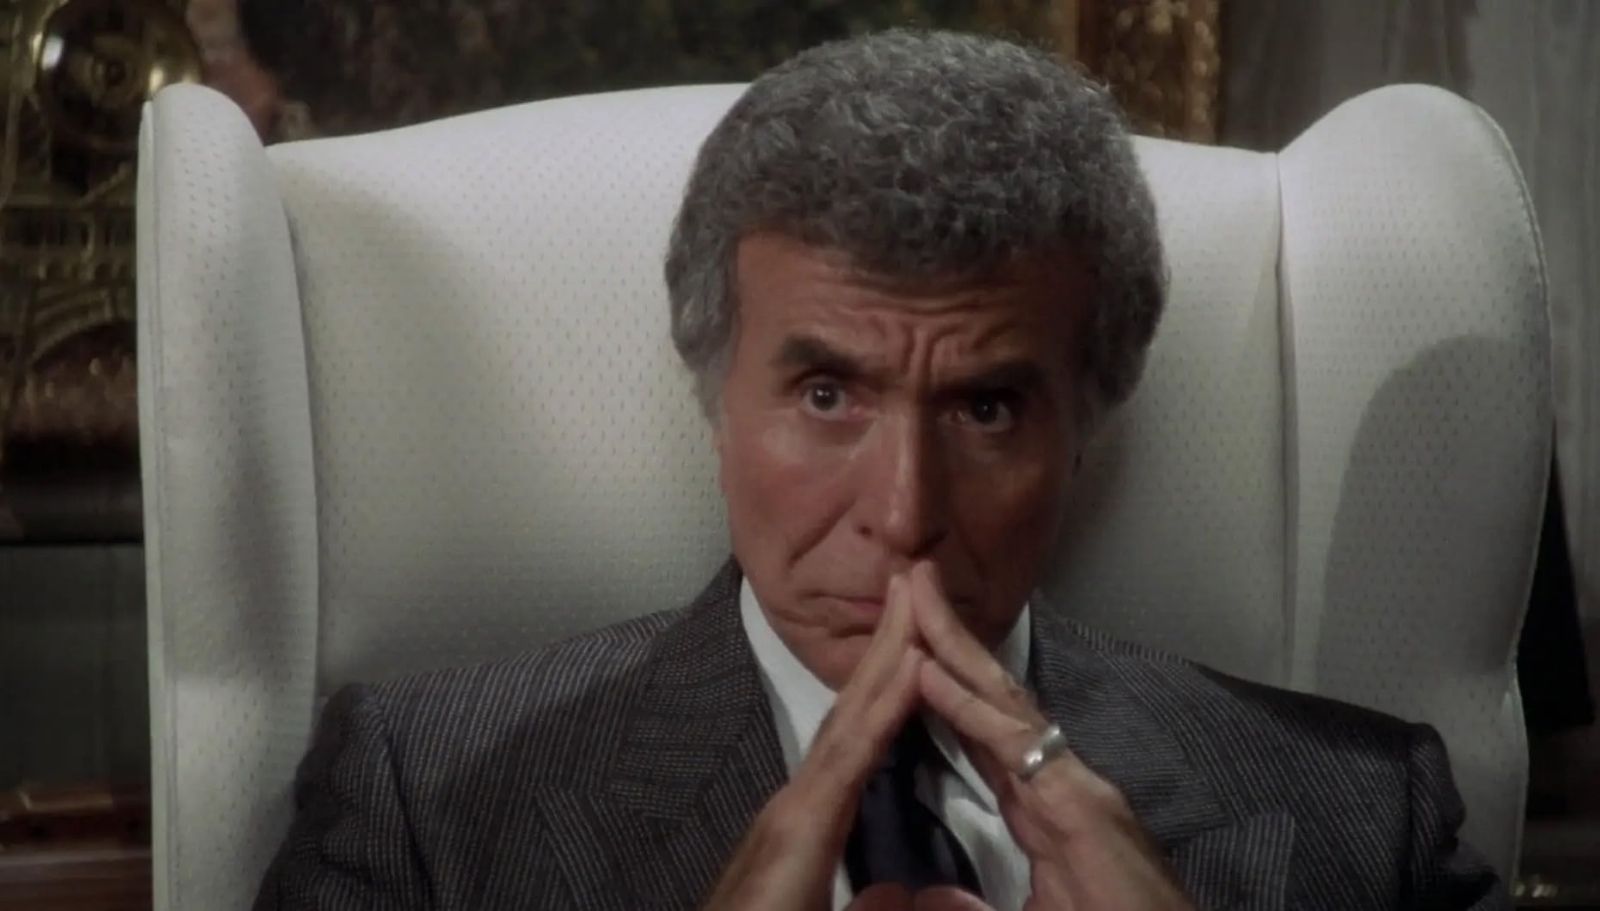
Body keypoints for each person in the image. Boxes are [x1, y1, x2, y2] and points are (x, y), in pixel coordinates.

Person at [254, 29, 1507, 911]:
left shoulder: (1361, 813)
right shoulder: (428, 795)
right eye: (826, 394)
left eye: (986, 407)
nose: (904, 513)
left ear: (1084, 428)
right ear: (716, 401)